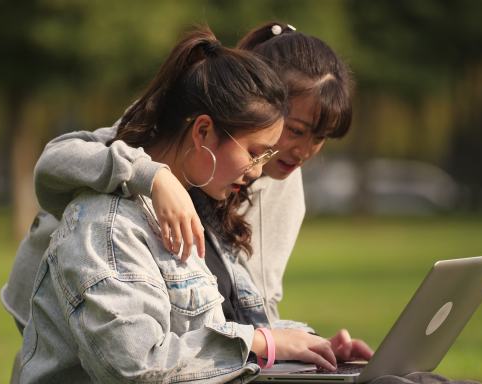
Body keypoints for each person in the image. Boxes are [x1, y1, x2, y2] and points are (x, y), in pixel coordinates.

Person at [18, 26, 361, 383]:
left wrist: (309, 345)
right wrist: (154, 176)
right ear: (202, 131)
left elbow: (228, 321)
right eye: (295, 130)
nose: (301, 152)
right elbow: (137, 366)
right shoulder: (112, 216)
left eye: (320, 138)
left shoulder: (219, 199)